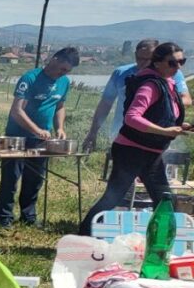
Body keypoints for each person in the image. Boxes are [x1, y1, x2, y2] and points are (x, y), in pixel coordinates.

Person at [79, 43, 190, 235]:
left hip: (151, 153)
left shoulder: (168, 84)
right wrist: (164, 131)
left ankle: (162, 242)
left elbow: (163, 113)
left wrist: (180, 126)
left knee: (165, 200)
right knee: (113, 198)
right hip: (131, 151)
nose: (178, 67)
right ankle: (83, 235)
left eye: (182, 62)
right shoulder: (150, 85)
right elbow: (132, 117)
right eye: (172, 62)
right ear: (157, 63)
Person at [0, 47, 78, 230]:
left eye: (67, 71)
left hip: (41, 140)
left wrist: (60, 128)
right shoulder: (30, 78)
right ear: (54, 59)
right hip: (16, 137)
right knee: (11, 179)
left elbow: (60, 106)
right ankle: (4, 218)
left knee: (35, 179)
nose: (62, 73)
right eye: (62, 69)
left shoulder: (64, 82)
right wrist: (36, 129)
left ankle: (28, 216)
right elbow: (17, 111)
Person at [84, 38, 192, 155]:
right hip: (124, 135)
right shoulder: (121, 73)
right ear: (135, 55)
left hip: (158, 136)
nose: (144, 63)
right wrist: (92, 132)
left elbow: (186, 100)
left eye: (148, 59)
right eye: (140, 58)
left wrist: (164, 111)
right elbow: (106, 104)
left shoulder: (172, 72)